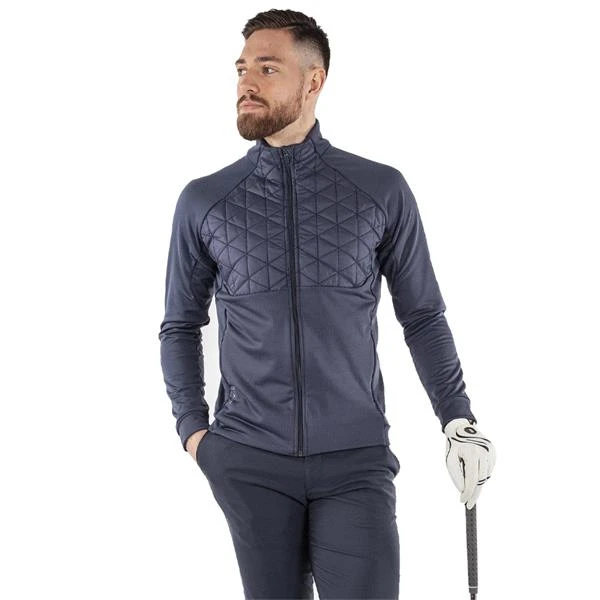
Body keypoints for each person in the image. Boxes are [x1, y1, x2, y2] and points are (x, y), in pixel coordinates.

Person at [158, 8, 496, 599]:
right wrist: (194, 432)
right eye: (241, 69)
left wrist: (457, 419)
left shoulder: (380, 189)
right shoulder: (205, 200)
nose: (247, 83)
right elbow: (181, 325)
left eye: (267, 68)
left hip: (355, 462)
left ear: (314, 81)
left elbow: (422, 315)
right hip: (249, 460)